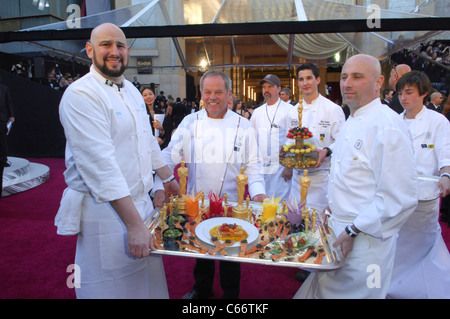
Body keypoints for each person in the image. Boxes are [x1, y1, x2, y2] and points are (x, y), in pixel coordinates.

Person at [55, 22, 180, 299]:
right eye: (106, 45)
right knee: (111, 290)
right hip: (106, 212)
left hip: (142, 206)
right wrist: (134, 225)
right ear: (90, 50)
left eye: (120, 45)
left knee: (147, 288)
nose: (115, 51)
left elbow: (147, 142)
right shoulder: (81, 94)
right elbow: (101, 167)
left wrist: (167, 177)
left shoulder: (132, 91)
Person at [295, 54, 418, 299]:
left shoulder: (387, 126)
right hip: (337, 230)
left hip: (366, 242)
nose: (347, 83)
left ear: (378, 82)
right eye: (343, 77)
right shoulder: (354, 118)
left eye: (357, 77)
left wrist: (353, 231)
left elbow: (399, 197)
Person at [156, 70, 268, 299]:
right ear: (201, 94)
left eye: (218, 92)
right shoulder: (190, 121)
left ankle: (231, 295)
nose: (212, 97)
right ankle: (202, 290)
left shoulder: (243, 125)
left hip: (231, 203)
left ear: (229, 94)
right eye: (207, 92)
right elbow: (168, 155)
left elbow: (254, 165)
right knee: (201, 249)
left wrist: (258, 195)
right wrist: (163, 181)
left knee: (232, 251)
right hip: (198, 200)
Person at [386, 71, 450, 299]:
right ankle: (394, 286)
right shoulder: (394, 121)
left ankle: (425, 288)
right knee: (398, 243)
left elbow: (446, 155)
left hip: (426, 196)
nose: (403, 98)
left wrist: (446, 176)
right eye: (401, 93)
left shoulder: (438, 121)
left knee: (423, 244)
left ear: (423, 93)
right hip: (397, 194)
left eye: (409, 92)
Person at [284, 63, 345, 212]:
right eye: (301, 79)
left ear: (317, 80)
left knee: (317, 227)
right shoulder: (292, 112)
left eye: (309, 78)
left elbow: (343, 142)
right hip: (297, 179)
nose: (305, 83)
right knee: (294, 223)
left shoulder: (332, 109)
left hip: (321, 179)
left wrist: (327, 151)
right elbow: (290, 140)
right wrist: (285, 154)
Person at [250, 74, 298, 200]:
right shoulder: (257, 112)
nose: (266, 90)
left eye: (270, 87)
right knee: (262, 201)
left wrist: (290, 166)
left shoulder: (290, 110)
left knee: (280, 202)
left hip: (281, 167)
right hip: (261, 166)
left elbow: (294, 139)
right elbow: (252, 139)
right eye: (264, 87)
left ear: (279, 89)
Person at [0, 83, 14, 197]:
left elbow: (8, 102)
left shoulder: (4, 88)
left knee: (2, 141)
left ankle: (4, 158)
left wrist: (11, 115)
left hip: (2, 119)